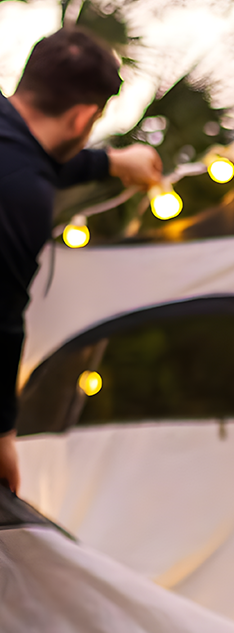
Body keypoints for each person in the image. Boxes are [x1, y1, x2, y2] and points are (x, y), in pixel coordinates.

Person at [0, 27, 163, 495]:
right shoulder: (22, 197)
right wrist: (3, 435)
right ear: (83, 118)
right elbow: (4, 322)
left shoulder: (20, 168)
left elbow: (27, 154)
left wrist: (110, 163)